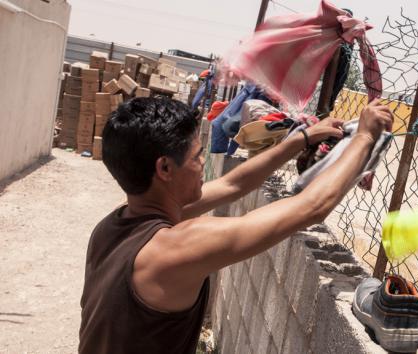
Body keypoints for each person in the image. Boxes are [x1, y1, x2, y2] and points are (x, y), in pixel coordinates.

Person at [78, 97, 393, 354]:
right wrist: (364, 136)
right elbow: (311, 207)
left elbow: (232, 184)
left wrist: (303, 139)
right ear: (164, 168)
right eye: (197, 156)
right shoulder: (174, 247)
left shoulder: (114, 224)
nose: (204, 164)